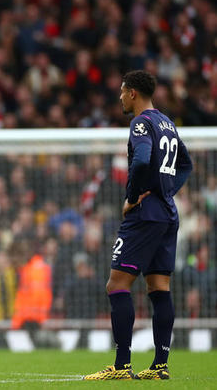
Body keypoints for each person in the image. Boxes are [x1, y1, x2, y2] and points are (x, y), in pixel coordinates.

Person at [84, 70, 192, 381]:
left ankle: (121, 366)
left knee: (117, 285)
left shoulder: (141, 122)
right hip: (167, 213)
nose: (119, 97)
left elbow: (142, 159)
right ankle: (160, 365)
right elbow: (186, 164)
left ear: (132, 93)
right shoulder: (168, 124)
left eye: (121, 91)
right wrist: (167, 190)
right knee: (159, 288)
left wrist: (132, 197)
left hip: (145, 214)